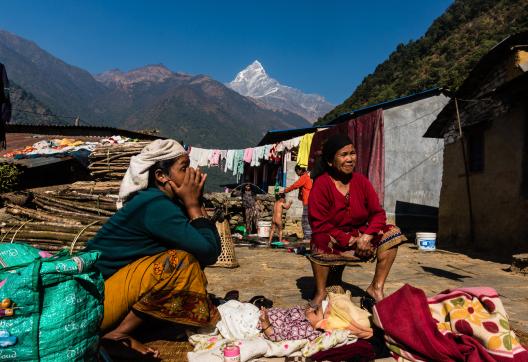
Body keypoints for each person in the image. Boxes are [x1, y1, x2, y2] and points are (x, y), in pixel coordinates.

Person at [86, 139, 221, 358]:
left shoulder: (163, 203)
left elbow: (208, 250)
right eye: (184, 168)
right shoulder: (155, 206)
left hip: (106, 295)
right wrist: (194, 205)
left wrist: (194, 204)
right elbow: (208, 251)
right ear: (161, 176)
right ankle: (117, 335)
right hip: (94, 300)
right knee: (179, 262)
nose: (192, 174)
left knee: (187, 264)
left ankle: (131, 328)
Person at [307, 133, 406, 311]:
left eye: (352, 153)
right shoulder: (321, 185)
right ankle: (320, 292)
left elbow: (378, 213)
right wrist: (349, 240)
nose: (350, 159)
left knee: (392, 232)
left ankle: (376, 288)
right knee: (319, 238)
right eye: (343, 155)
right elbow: (319, 223)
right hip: (335, 240)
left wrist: (366, 237)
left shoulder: (361, 181)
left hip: (361, 239)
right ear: (330, 161)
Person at [284, 164, 313, 242]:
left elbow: (295, 185)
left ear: (300, 170)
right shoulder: (306, 176)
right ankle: (309, 236)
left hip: (308, 201)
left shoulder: (304, 177)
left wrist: (285, 191)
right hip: (308, 200)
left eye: (297, 171)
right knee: (308, 219)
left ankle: (308, 237)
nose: (296, 173)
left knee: (305, 219)